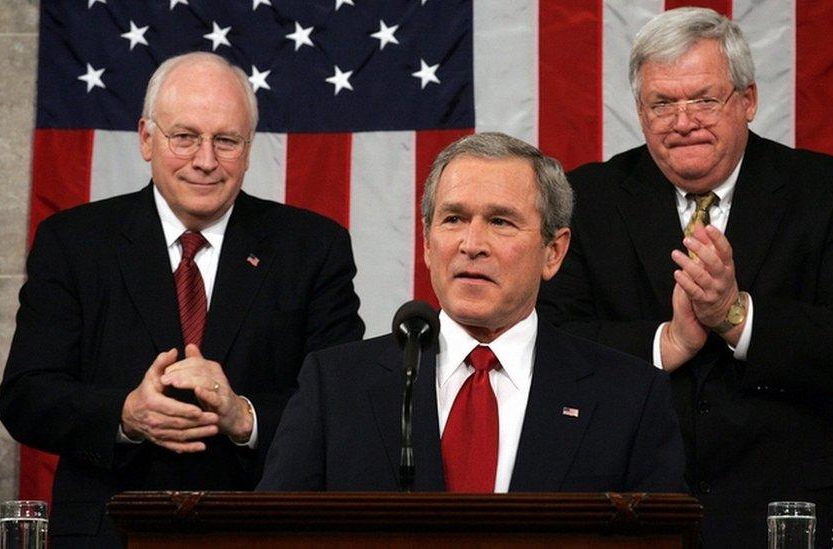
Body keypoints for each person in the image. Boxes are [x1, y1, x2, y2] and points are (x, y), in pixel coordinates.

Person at [537, 7, 833, 548]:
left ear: (747, 100)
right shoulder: (587, 200)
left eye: (704, 99)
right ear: (640, 111)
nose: (684, 121)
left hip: (787, 513)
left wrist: (736, 316)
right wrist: (668, 341)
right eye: (663, 103)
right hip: (628, 508)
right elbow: (549, 342)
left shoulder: (831, 193)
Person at [0, 52, 364, 548]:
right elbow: (25, 397)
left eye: (226, 140)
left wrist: (243, 417)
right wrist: (125, 413)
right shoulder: (74, 242)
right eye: (185, 137)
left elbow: (343, 409)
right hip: (109, 532)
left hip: (259, 532)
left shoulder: (313, 248)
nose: (206, 160)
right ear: (147, 139)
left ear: (249, 148)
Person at [257, 132, 686, 494]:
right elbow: (272, 538)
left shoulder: (629, 397)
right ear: (427, 243)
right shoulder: (335, 386)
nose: (471, 244)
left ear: (553, 252)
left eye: (500, 222)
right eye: (454, 219)